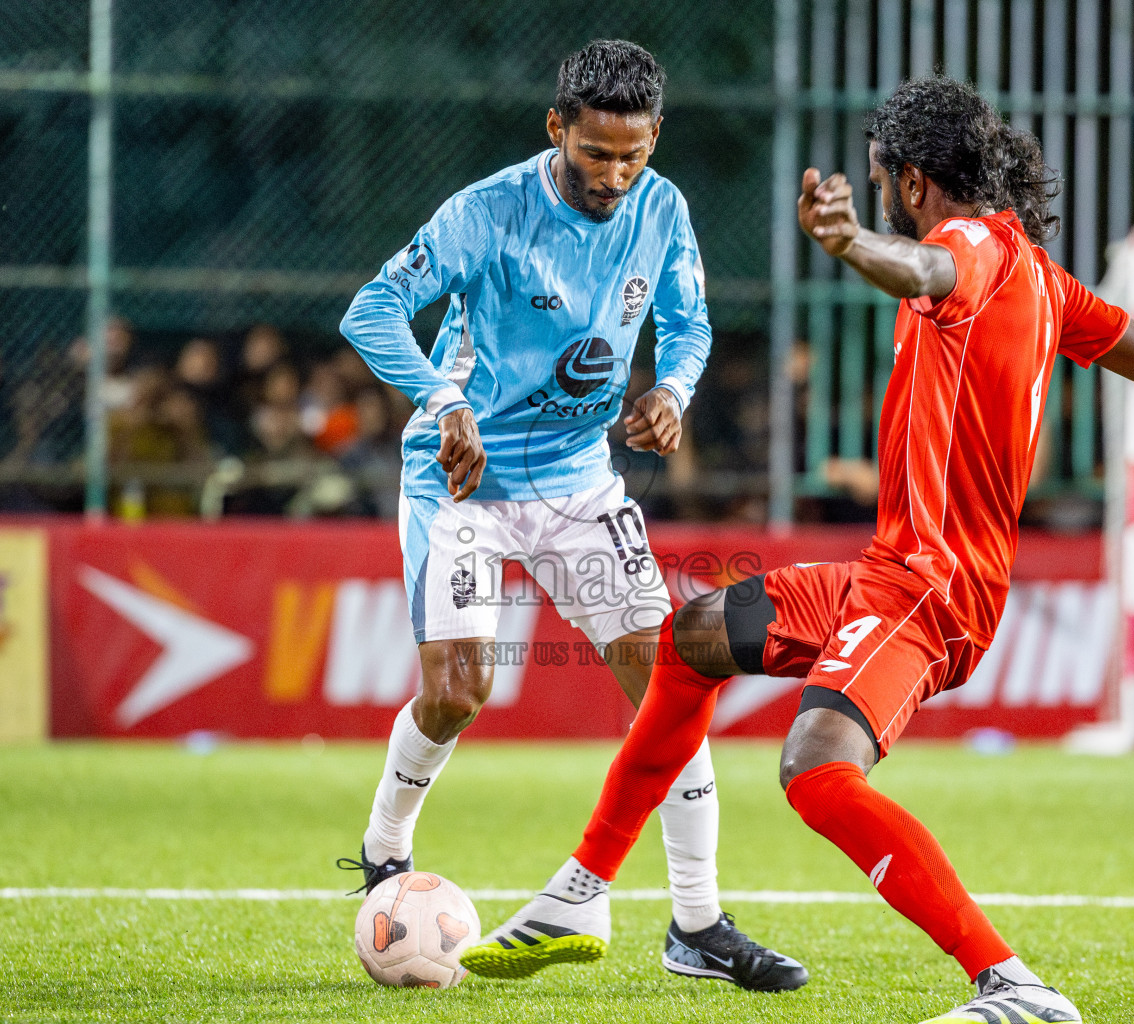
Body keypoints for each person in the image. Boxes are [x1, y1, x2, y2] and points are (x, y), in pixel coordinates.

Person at [464, 77, 1134, 1023]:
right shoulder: (1043, 277)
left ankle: (1012, 985)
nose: (880, 191)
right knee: (692, 640)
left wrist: (847, 244)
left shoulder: (961, 247)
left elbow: (923, 272)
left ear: (915, 184)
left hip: (928, 589)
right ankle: (582, 895)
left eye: (884, 178)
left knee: (817, 771)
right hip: (888, 571)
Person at [337, 39, 805, 991]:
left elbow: (690, 322)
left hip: (578, 481)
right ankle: (387, 846)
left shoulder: (662, 207)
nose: (615, 175)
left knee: (672, 683)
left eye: (633, 155)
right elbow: (373, 309)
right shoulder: (486, 212)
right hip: (461, 483)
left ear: (655, 139)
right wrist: (443, 401)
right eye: (597, 155)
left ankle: (697, 922)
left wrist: (674, 388)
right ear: (558, 128)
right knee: (460, 689)